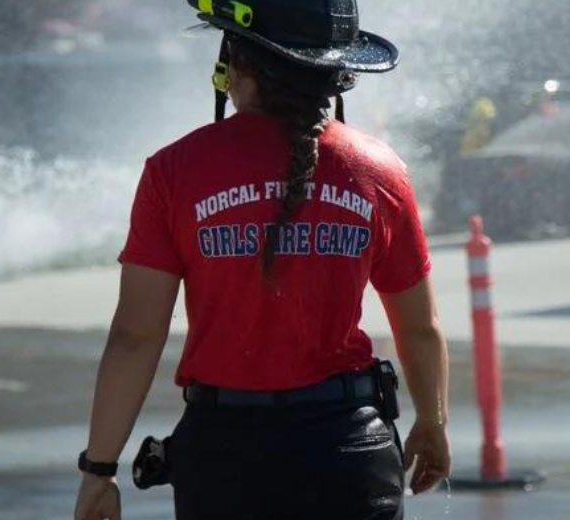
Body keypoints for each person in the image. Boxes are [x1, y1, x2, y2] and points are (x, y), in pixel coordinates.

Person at [74, 1, 450, 519]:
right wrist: (431, 423)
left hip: (225, 461)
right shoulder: (381, 171)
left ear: (238, 62)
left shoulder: (174, 171)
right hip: (348, 455)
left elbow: (136, 336)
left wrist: (100, 469)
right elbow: (420, 328)